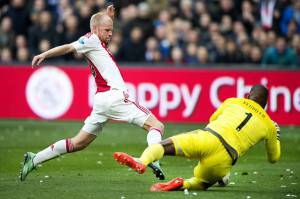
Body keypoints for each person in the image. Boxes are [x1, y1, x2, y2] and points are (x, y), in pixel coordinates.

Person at [20, 5, 165, 181]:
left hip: (102, 101)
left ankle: (34, 159)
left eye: (112, 30)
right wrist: (44, 54)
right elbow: (68, 47)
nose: (111, 33)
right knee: (156, 126)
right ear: (95, 29)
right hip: (115, 97)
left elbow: (99, 25)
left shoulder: (97, 41)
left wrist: (109, 17)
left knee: (78, 142)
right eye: (107, 30)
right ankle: (152, 159)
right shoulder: (91, 40)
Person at [114, 85, 281, 192]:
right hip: (225, 160)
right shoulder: (269, 126)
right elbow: (274, 159)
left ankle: (142, 162)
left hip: (209, 138)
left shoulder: (234, 101)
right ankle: (183, 184)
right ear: (266, 105)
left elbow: (213, 118)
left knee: (163, 147)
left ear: (248, 95)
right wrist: (277, 137)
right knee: (201, 183)